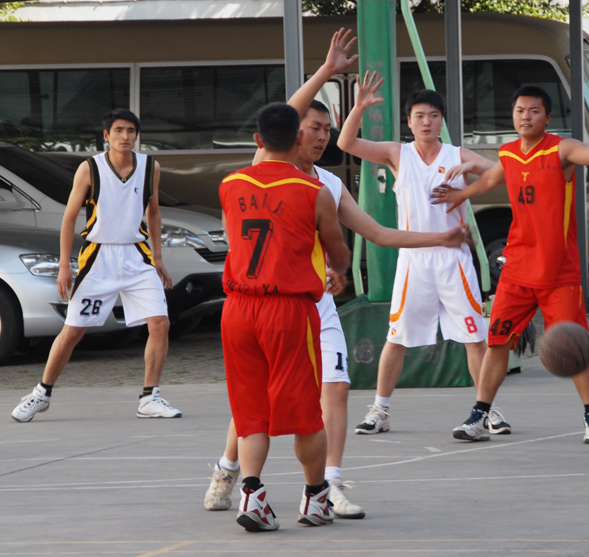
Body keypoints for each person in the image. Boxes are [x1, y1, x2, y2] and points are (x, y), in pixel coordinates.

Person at [204, 29, 464, 518]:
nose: (322, 136)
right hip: (289, 306)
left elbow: (380, 233)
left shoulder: (306, 182)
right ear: (293, 134)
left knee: (331, 390)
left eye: (328, 129)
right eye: (313, 127)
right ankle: (237, 471)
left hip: (288, 306)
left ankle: (324, 484)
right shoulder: (284, 177)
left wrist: (438, 238)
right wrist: (325, 71)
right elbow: (283, 116)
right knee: (285, 407)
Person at [431, 85, 589, 442]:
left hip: (558, 271)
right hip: (517, 268)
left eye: (533, 111)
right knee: (497, 341)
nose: (525, 116)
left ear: (547, 117)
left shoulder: (562, 149)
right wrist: (462, 194)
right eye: (520, 110)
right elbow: (490, 178)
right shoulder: (509, 153)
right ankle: (479, 415)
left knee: (575, 344)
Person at [336, 72, 510, 436]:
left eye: (433, 115)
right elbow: (346, 142)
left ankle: (487, 409)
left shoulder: (456, 155)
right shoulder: (397, 154)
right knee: (396, 337)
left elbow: (504, 173)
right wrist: (359, 106)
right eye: (419, 116)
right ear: (409, 121)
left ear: (442, 120)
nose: (426, 121)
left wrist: (470, 175)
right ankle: (380, 410)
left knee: (474, 338)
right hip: (414, 259)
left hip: (453, 260)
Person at [220, 102, 350, 532]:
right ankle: (316, 498)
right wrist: (338, 270)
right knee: (305, 412)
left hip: (238, 308)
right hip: (287, 309)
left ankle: (252, 495)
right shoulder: (314, 191)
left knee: (250, 411)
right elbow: (338, 252)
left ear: (257, 140)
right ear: (298, 138)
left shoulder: (230, 185)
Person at [11, 109, 181, 422]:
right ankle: (41, 393)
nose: (125, 136)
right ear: (106, 135)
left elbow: (154, 212)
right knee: (73, 330)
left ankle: (149, 397)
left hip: (137, 257)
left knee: (160, 323)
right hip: (98, 258)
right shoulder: (90, 168)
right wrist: (65, 265)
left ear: (137, 135)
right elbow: (69, 218)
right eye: (118, 130)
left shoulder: (150, 167)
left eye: (130, 131)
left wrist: (157, 258)